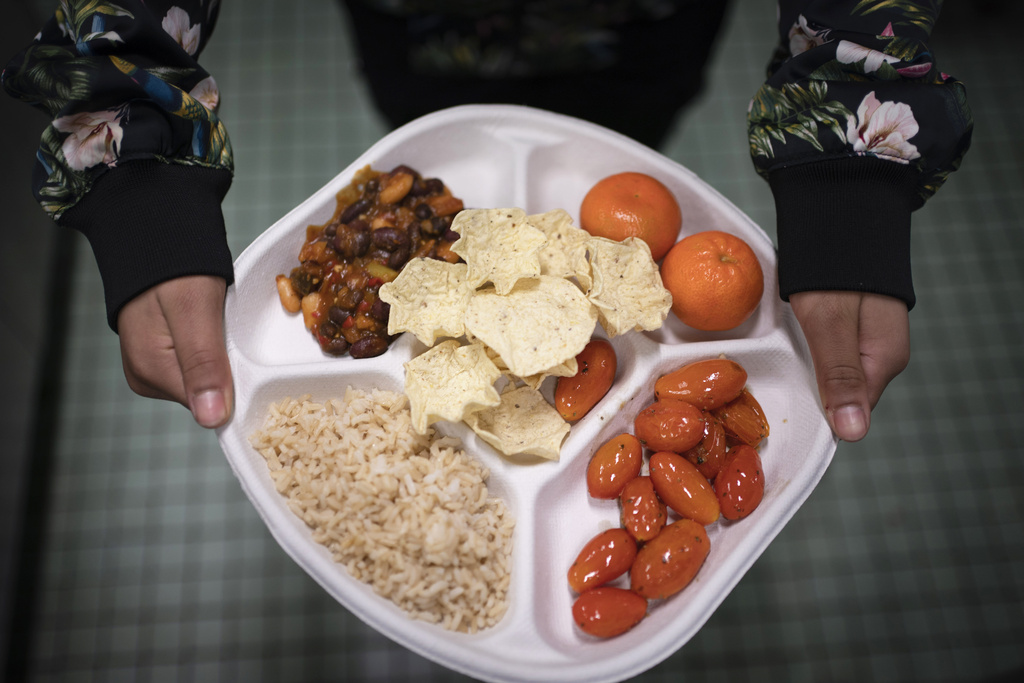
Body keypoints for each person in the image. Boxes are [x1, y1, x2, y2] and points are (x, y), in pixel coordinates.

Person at [2, 1, 972, 442]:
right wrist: (133, 163)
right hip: (424, 31)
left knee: (624, 129)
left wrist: (851, 146)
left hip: (642, 29)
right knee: (416, 102)